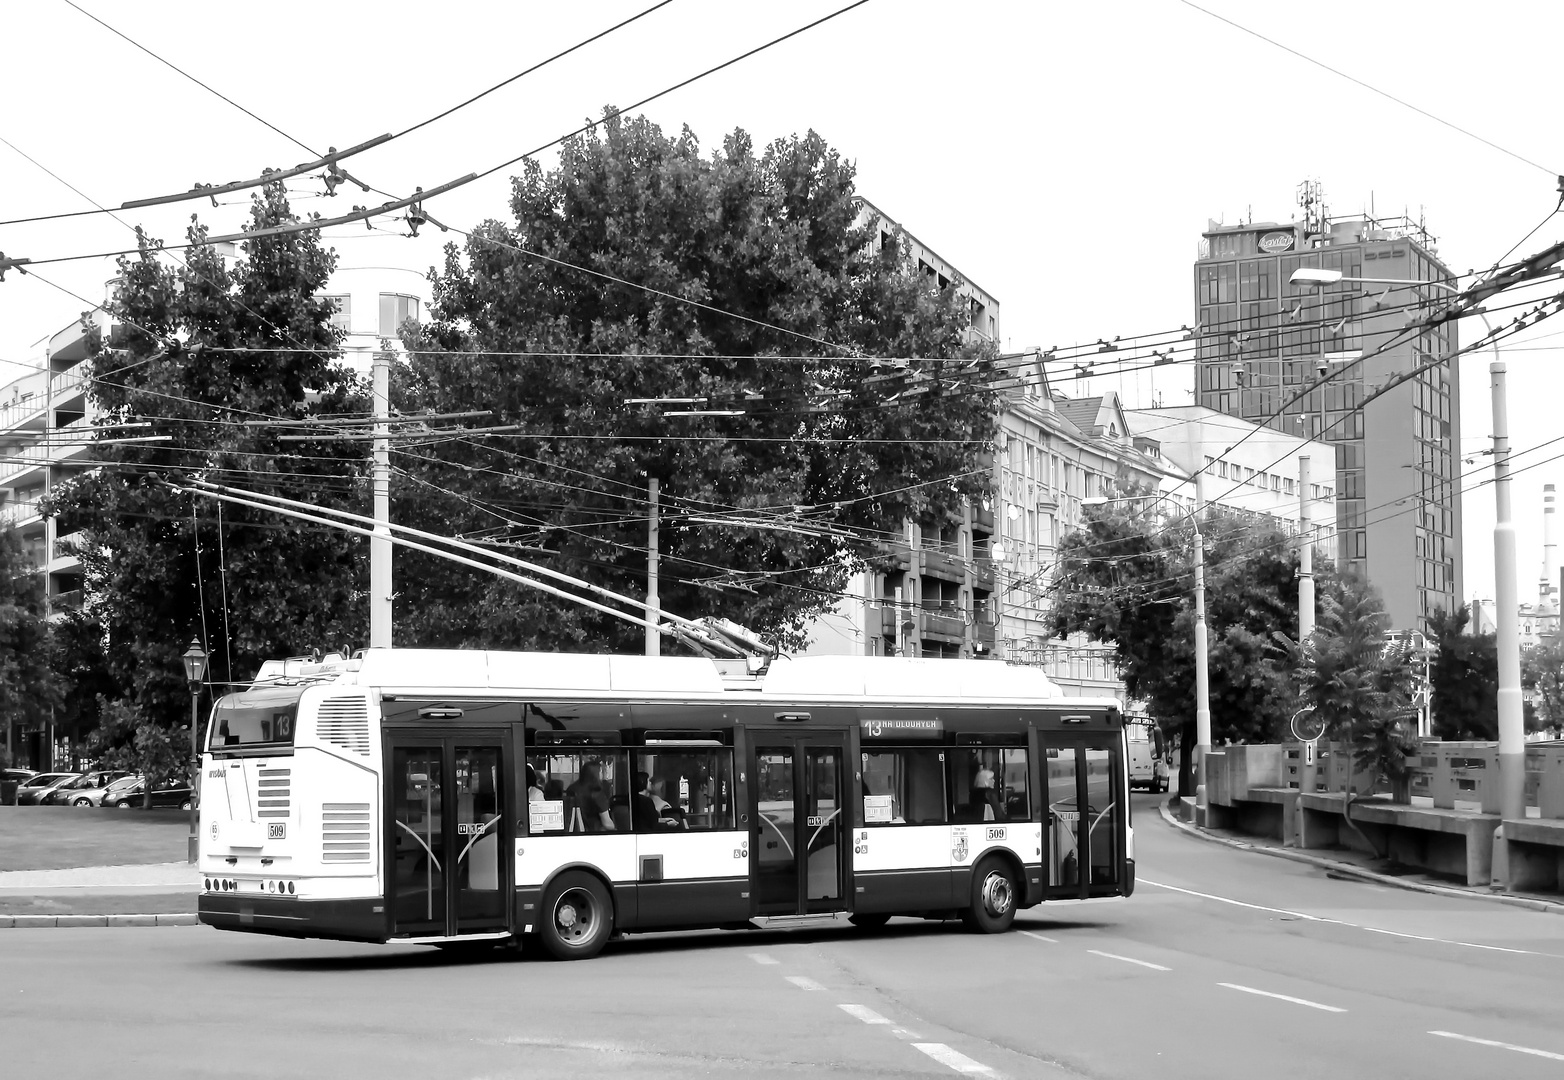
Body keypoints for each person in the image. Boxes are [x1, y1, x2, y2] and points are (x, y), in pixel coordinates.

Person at [563, 762, 615, 832]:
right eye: (601, 771)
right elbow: (607, 824)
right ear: (596, 774)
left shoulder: (571, 788)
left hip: (573, 830)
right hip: (593, 833)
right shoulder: (597, 793)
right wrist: (617, 828)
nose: (602, 774)